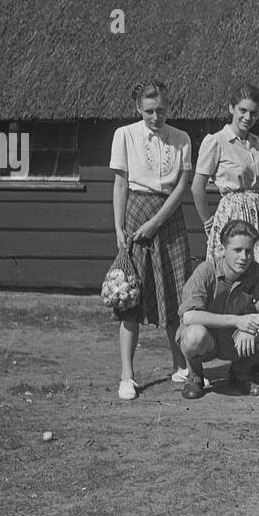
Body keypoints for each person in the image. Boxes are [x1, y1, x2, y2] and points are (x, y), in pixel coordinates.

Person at [109, 79, 193, 401]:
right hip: (134, 213)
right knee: (130, 294)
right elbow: (120, 185)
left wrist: (156, 223)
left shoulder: (182, 139)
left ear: (168, 107)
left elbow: (181, 188)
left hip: (168, 216)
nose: (155, 117)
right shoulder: (124, 135)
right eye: (148, 112)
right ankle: (127, 376)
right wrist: (120, 229)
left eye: (160, 110)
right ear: (137, 108)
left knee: (174, 288)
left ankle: (179, 363)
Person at [176, 220, 259, 399]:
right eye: (237, 250)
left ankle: (240, 372)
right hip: (207, 339)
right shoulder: (205, 272)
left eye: (249, 250)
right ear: (222, 250)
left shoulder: (255, 271)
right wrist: (237, 321)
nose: (244, 256)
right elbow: (189, 316)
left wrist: (252, 326)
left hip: (235, 338)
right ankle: (195, 375)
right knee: (193, 335)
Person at [193, 83, 259, 294]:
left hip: (257, 216)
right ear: (232, 108)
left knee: (258, 271)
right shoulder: (216, 141)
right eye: (243, 110)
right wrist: (208, 223)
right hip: (231, 213)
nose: (248, 117)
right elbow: (197, 187)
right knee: (232, 271)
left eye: (254, 113)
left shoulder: (257, 143)